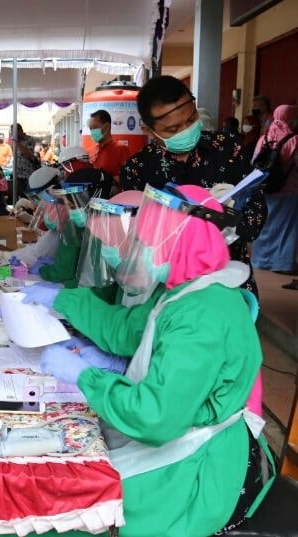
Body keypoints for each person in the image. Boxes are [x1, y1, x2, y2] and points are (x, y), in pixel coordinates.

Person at [22, 183, 273, 536]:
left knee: (59, 507)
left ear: (182, 240)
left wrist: (87, 377)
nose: (137, 249)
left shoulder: (201, 315)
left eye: (146, 239)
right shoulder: (190, 292)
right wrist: (69, 307)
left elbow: (156, 417)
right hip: (182, 438)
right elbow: (132, 333)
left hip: (197, 470)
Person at [120, 75, 266, 296]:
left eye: (191, 120)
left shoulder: (228, 149)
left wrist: (227, 218)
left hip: (228, 278)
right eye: (173, 129)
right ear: (148, 130)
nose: (185, 131)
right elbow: (133, 238)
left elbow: (257, 213)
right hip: (164, 286)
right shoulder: (138, 168)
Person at [251, 104, 298, 275]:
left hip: (266, 187)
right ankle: (282, 263)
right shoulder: (294, 139)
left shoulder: (264, 138)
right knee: (286, 228)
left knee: (265, 225)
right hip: (288, 189)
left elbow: (254, 162)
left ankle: (260, 260)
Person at [88, 109, 131, 186]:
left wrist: (109, 179)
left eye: (95, 127)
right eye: (90, 129)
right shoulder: (89, 151)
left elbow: (129, 178)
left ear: (107, 126)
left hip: (114, 193)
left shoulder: (121, 149)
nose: (92, 131)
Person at [11, 123, 40, 196]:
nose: (14, 135)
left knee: (27, 195)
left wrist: (18, 143)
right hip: (17, 173)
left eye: (15, 133)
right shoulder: (15, 141)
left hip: (27, 174)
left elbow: (28, 155)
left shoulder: (29, 140)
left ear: (20, 131)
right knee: (17, 195)